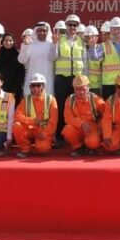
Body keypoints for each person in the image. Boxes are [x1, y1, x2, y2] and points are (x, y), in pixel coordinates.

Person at [53, 15, 85, 147]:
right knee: (61, 107)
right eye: (70, 25)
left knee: (76, 108)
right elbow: (52, 57)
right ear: (66, 26)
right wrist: (54, 44)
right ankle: (60, 137)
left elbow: (84, 61)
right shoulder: (59, 40)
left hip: (76, 79)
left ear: (78, 27)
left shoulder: (81, 42)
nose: (72, 27)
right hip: (62, 78)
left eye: (75, 25)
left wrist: (84, 79)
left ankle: (75, 137)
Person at [12, 73, 58, 157]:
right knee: (16, 126)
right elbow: (17, 116)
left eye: (38, 85)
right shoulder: (26, 100)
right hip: (29, 129)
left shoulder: (51, 100)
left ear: (43, 86)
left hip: (43, 130)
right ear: (30, 87)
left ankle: (43, 142)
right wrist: (32, 121)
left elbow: (53, 121)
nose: (35, 88)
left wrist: (46, 133)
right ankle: (26, 148)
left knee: (42, 149)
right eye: (33, 86)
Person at [62, 74, 105, 157]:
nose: (80, 92)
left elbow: (106, 114)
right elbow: (68, 118)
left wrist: (100, 125)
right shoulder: (70, 100)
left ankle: (92, 148)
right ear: (73, 89)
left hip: (92, 128)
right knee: (67, 130)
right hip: (78, 127)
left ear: (88, 87)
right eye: (77, 89)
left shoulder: (96, 99)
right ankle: (79, 148)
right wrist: (82, 124)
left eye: (83, 89)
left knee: (93, 143)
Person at [17, 21, 56, 95]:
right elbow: (21, 60)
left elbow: (53, 58)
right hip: (32, 80)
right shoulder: (29, 45)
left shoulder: (51, 45)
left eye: (44, 31)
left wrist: (54, 44)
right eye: (39, 31)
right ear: (36, 31)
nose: (42, 33)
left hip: (48, 81)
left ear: (47, 32)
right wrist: (25, 46)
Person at [84, 25, 104, 94]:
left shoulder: (100, 48)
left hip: (95, 85)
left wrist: (92, 46)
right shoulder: (81, 48)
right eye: (87, 37)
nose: (90, 39)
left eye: (92, 36)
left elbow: (94, 58)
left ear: (97, 38)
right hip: (83, 83)